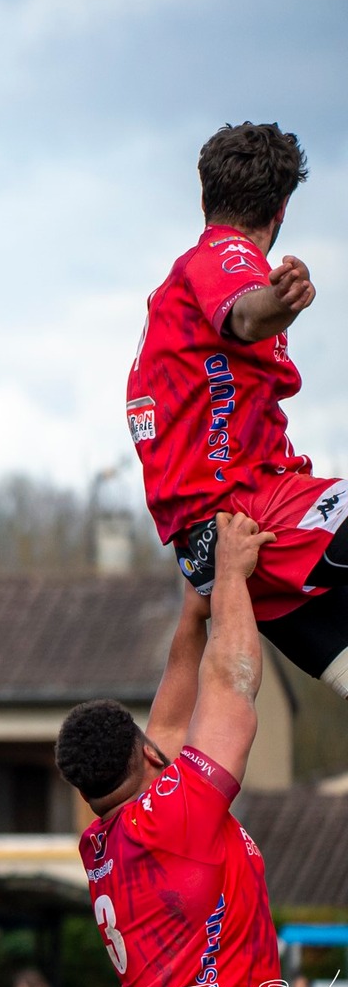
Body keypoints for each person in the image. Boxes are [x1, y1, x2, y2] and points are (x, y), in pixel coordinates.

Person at [55, 512, 335, 987]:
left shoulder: (112, 838)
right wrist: (235, 578)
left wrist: (194, 598)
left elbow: (175, 711)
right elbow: (233, 687)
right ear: (150, 760)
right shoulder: (175, 817)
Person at [126, 125, 340, 691]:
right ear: (283, 209)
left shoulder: (177, 291)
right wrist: (281, 300)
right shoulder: (223, 253)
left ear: (203, 197)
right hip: (248, 515)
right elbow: (246, 314)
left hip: (214, 556)